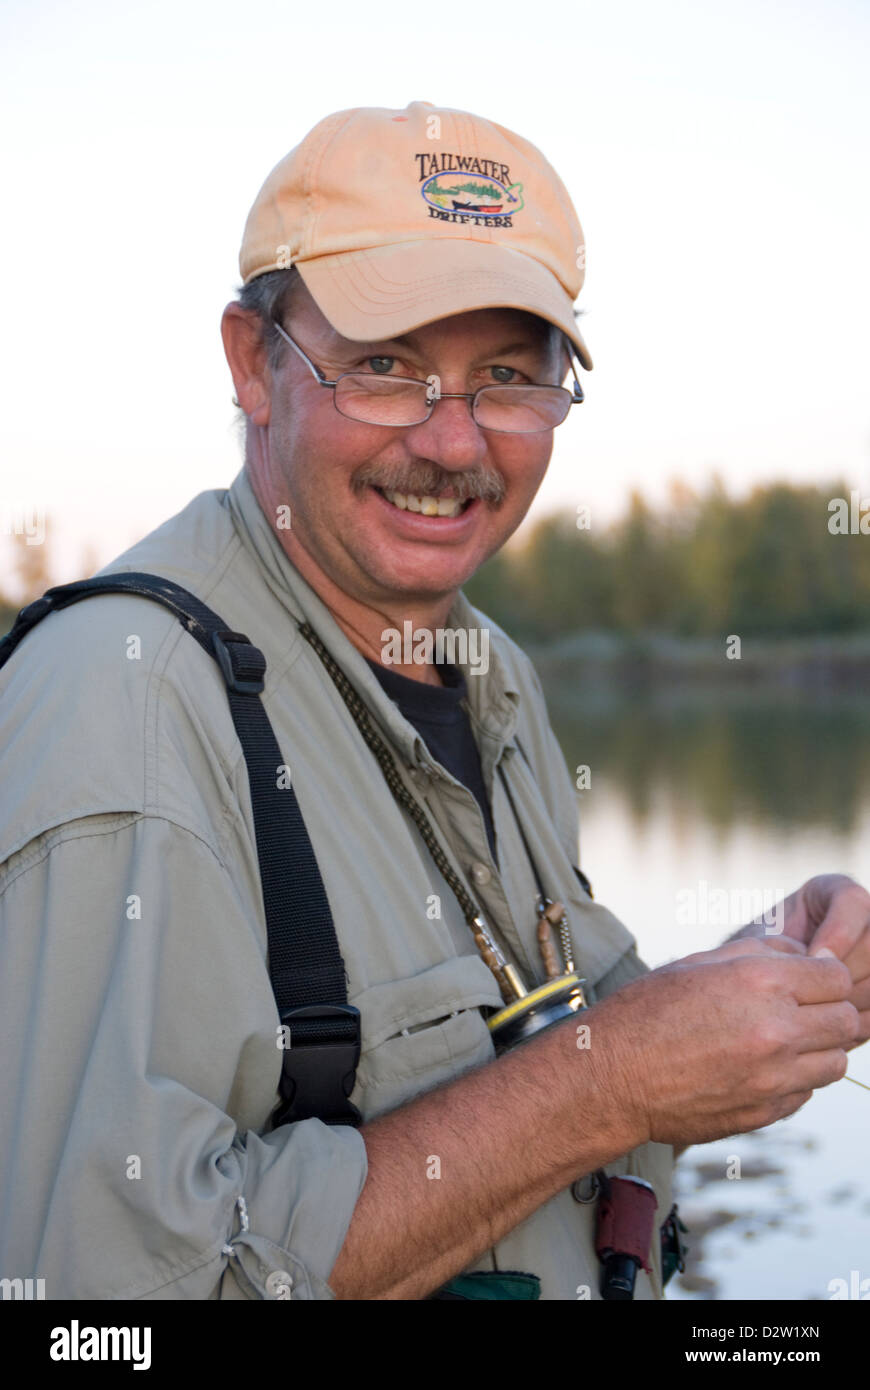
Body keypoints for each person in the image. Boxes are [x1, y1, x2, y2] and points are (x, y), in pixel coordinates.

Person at [0, 101, 867, 1303]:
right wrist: (613, 1080)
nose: (455, 443)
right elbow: (92, 1309)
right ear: (255, 365)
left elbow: (521, 1060)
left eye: (509, 377)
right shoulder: (123, 703)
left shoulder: (486, 668)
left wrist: (740, 994)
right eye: (388, 367)